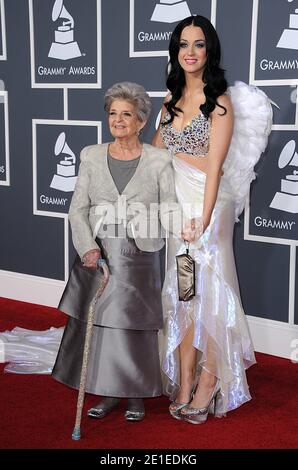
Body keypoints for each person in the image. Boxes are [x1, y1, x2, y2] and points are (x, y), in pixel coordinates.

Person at [153, 15, 272, 424]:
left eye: (198, 44)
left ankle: (210, 379)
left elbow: (216, 169)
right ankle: (184, 380)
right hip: (176, 208)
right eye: (183, 44)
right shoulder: (168, 104)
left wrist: (202, 221)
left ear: (209, 51)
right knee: (184, 293)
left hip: (209, 204)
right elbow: (154, 157)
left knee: (212, 290)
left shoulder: (219, 102)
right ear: (175, 52)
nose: (190, 52)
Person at [52, 82, 182, 422]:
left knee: (134, 327)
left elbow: (169, 206)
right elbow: (77, 210)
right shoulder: (91, 155)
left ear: (141, 121)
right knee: (102, 327)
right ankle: (108, 392)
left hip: (141, 253)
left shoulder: (158, 159)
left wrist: (185, 227)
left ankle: (135, 394)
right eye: (113, 113)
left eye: (127, 114)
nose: (119, 120)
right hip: (101, 254)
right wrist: (87, 248)